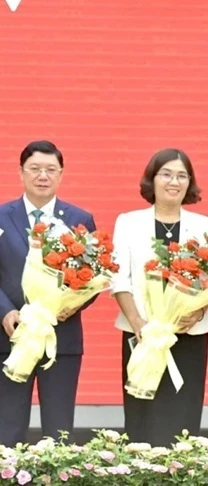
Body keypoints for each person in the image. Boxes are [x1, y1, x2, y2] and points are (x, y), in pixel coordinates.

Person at [111, 148, 208, 446]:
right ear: (153, 179)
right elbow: (119, 278)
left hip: (188, 333)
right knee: (142, 411)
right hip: (142, 333)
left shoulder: (204, 224)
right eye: (167, 174)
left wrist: (197, 312)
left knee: (183, 414)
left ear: (190, 182)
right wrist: (137, 322)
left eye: (182, 175)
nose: (174, 181)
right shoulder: (128, 222)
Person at [0, 140, 97, 446]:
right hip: (10, 336)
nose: (43, 175)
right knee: (7, 425)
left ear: (61, 174)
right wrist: (5, 311)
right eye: (35, 169)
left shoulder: (80, 219)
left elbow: (95, 274)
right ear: (21, 172)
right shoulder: (1, 216)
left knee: (59, 429)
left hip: (61, 336)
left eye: (50, 169)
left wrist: (74, 305)